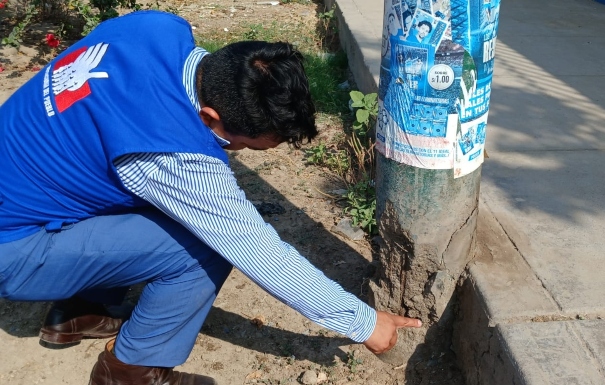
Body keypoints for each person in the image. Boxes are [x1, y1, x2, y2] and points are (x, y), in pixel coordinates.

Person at [0, 10, 421, 385]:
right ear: (210, 118)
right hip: (14, 247)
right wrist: (365, 324)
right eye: (241, 146)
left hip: (26, 192)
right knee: (204, 246)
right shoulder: (166, 150)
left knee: (151, 193)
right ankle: (129, 373)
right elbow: (259, 252)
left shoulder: (154, 27)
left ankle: (83, 309)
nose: (233, 155)